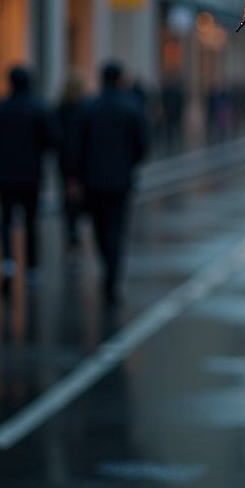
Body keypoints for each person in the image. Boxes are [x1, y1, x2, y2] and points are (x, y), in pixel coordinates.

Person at [67, 61, 149, 307]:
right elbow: (142, 146)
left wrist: (75, 176)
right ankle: (112, 277)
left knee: (100, 228)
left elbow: (76, 146)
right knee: (116, 229)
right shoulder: (131, 108)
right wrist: (128, 164)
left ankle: (108, 271)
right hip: (121, 180)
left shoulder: (88, 108)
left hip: (93, 181)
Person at [0, 65, 53, 287]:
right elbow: (48, 141)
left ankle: (7, 261)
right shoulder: (39, 109)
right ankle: (31, 267)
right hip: (31, 175)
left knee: (5, 219)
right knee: (31, 222)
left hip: (4, 174)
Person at [55, 70, 87, 254]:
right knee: (78, 192)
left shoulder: (60, 107)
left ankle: (70, 226)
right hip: (80, 157)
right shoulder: (84, 107)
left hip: (65, 158)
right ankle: (73, 227)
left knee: (67, 191)